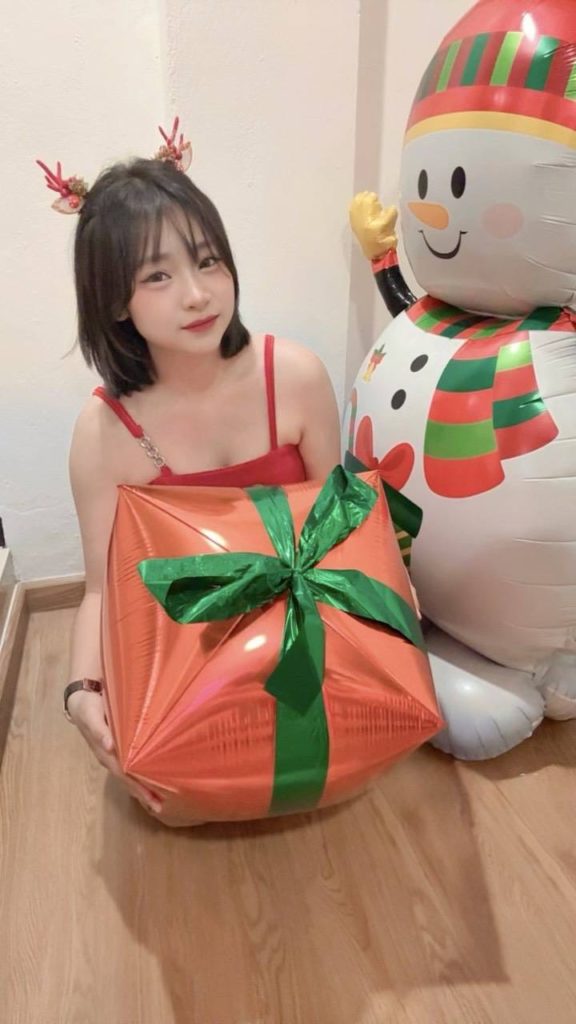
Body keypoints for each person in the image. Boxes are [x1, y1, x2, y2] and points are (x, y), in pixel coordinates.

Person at [52, 146, 341, 818]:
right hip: (189, 667)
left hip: (312, 644)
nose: (197, 293)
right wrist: (81, 691)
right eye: (158, 276)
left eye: (208, 261)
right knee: (177, 800)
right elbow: (101, 588)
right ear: (114, 301)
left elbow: (344, 524)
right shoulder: (104, 433)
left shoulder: (295, 376)